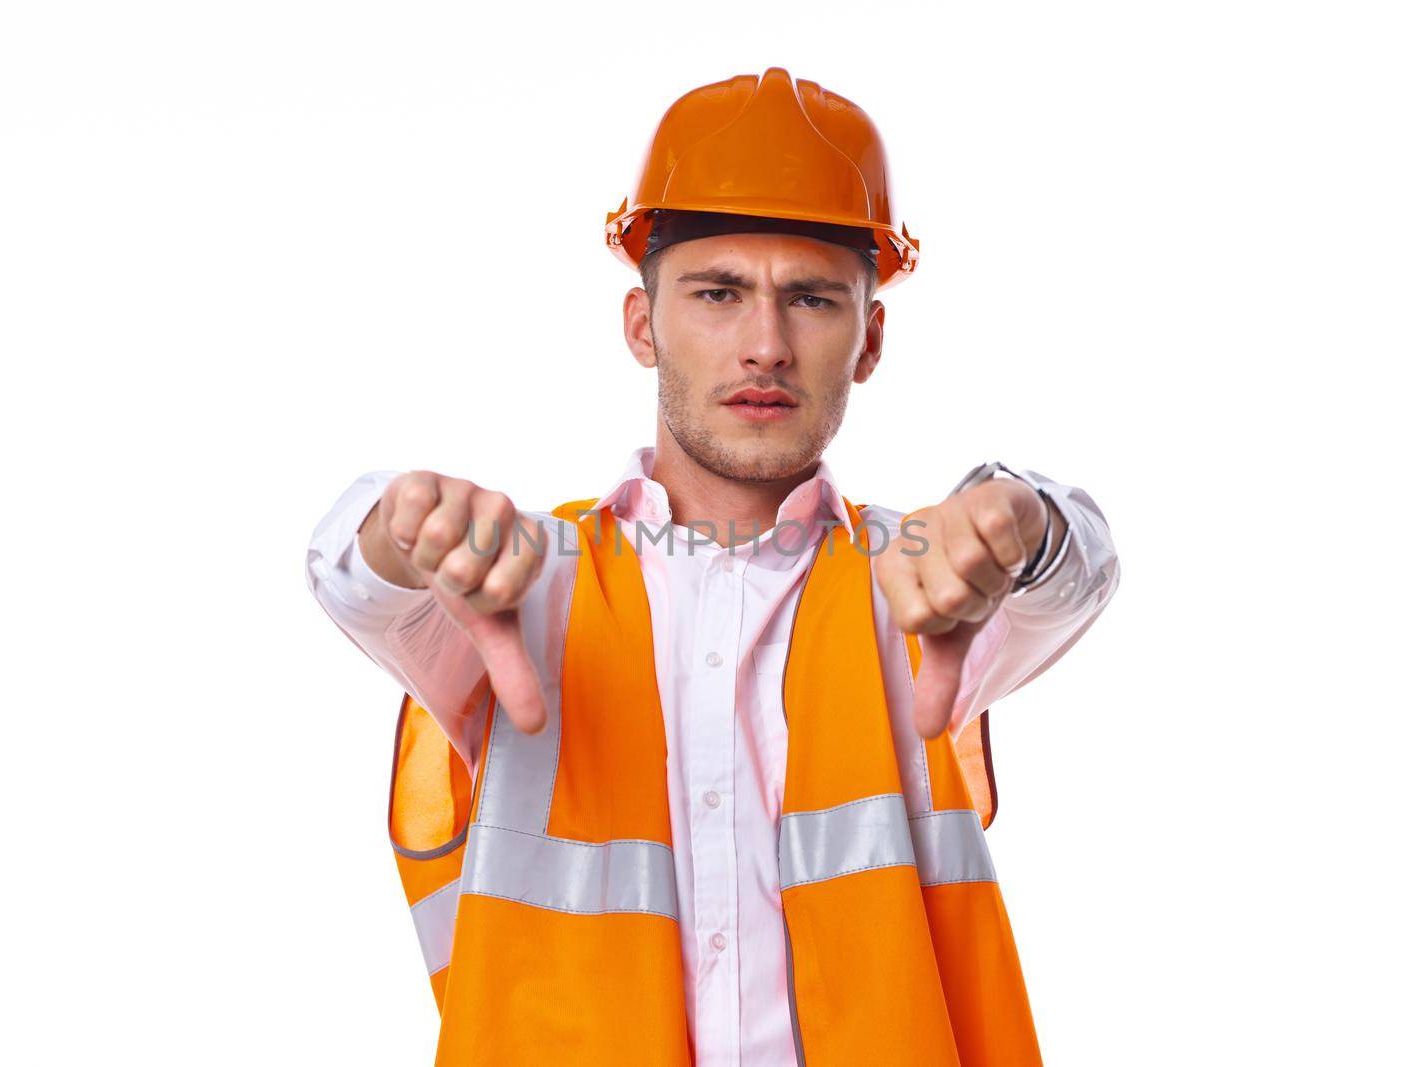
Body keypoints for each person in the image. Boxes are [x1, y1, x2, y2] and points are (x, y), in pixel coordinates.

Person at [305, 66, 1120, 1066]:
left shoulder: (922, 578)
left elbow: (1074, 570)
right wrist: (403, 521)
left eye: (812, 298)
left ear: (867, 338)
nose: (765, 344)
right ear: (643, 325)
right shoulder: (523, 580)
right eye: (719, 293)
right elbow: (355, 575)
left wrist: (1019, 519)